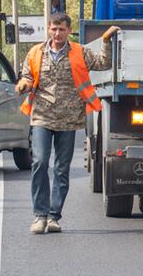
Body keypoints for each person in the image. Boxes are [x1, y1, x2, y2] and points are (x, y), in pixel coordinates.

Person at [15, 12, 119, 234]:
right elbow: (28, 76)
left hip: (69, 120)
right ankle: (39, 215)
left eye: (61, 29)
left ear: (68, 31)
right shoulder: (35, 53)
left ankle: (54, 216)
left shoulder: (80, 52)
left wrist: (106, 41)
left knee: (62, 169)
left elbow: (104, 63)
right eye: (53, 29)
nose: (57, 33)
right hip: (42, 116)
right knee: (40, 163)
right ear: (48, 29)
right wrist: (24, 83)